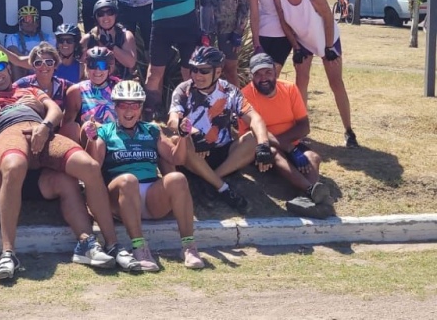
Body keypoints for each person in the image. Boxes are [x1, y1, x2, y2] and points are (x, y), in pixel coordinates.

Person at [0, 50, 139, 279]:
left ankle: (111, 244)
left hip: (41, 131)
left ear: (8, 68)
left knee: (89, 167)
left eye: (0, 68)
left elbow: (54, 109)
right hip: (7, 131)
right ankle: (8, 253)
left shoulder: (29, 88)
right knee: (13, 165)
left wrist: (46, 126)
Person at [95, 80, 205, 270]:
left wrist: (184, 136)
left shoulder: (152, 130)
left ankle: (189, 247)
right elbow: (94, 166)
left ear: (141, 107)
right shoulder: (104, 131)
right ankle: (139, 248)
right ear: (115, 106)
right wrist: (91, 139)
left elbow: (176, 158)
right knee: (128, 180)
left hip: (151, 197)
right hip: (120, 196)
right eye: (123, 105)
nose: (129, 111)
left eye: (135, 105)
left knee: (177, 178)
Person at [166, 47, 274, 214]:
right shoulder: (184, 89)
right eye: (194, 69)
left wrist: (263, 145)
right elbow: (173, 120)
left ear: (218, 72)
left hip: (223, 151)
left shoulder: (229, 91)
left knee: (253, 138)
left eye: (204, 70)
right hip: (195, 150)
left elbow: (255, 118)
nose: (197, 75)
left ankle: (209, 179)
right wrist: (194, 133)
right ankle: (223, 188)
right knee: (178, 141)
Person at [272, 0, 358, 148]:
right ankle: (302, 128)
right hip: (303, 41)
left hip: (327, 39)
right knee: (301, 83)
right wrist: (295, 46)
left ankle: (349, 130)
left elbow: (328, 18)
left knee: (336, 82)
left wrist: (328, 47)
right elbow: (283, 21)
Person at [240, 54, 330, 204]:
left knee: (313, 158)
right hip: (263, 147)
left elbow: (304, 126)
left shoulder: (289, 89)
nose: (263, 78)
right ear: (251, 76)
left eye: (268, 72)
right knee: (275, 153)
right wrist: (288, 148)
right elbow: (251, 133)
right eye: (258, 74)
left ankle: (306, 200)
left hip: (290, 143)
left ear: (275, 72)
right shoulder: (244, 96)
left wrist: (289, 147)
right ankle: (311, 191)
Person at [62, 46, 121, 145]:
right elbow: (66, 127)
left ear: (109, 68)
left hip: (116, 140)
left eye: (102, 65)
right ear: (86, 67)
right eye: (92, 65)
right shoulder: (76, 91)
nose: (97, 70)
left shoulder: (120, 88)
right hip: (89, 142)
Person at [80, 0, 137, 80]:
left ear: (115, 15)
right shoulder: (88, 38)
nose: (105, 17)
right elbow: (79, 66)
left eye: (110, 12)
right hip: (95, 84)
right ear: (96, 18)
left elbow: (131, 63)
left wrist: (110, 46)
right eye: (100, 14)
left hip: (121, 84)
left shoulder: (125, 35)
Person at [3, 6, 56, 72]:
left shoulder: (47, 37)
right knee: (15, 63)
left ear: (37, 23)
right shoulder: (13, 37)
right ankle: (18, 82)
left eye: (32, 19)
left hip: (43, 67)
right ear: (20, 23)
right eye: (26, 20)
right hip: (24, 70)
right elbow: (15, 54)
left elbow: (55, 55)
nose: (29, 23)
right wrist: (35, 63)